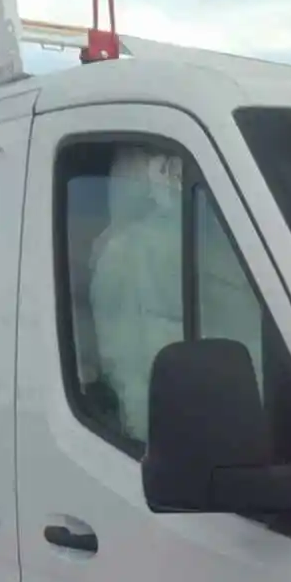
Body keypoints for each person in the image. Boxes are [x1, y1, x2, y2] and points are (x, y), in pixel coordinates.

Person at [87, 146, 185, 444]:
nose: (179, 179)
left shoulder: (212, 234)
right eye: (171, 169)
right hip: (159, 441)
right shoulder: (126, 251)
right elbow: (128, 369)